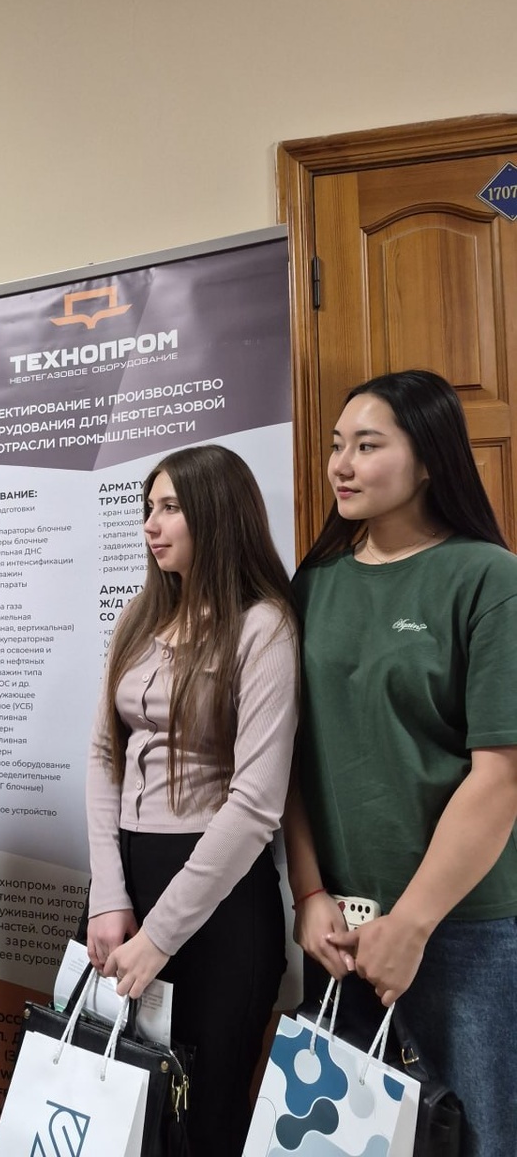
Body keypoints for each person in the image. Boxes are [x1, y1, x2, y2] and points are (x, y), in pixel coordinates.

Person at [284, 370, 517, 1157]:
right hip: (338, 930)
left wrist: (412, 925)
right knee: (342, 1141)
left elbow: (500, 775)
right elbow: (294, 761)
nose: (341, 465)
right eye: (337, 446)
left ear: (427, 460)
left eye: (367, 446)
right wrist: (307, 893)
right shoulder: (313, 584)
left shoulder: (488, 578)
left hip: (460, 929)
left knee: (478, 1137)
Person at [84, 443, 298, 1156]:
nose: (150, 524)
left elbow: (256, 804)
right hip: (127, 885)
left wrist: (159, 938)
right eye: (148, 507)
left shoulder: (264, 626)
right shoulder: (138, 618)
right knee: (119, 1110)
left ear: (217, 514)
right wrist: (108, 896)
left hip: (219, 899)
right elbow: (104, 757)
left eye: (170, 507)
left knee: (204, 1117)